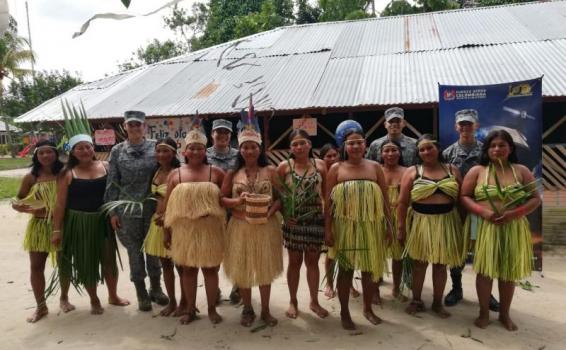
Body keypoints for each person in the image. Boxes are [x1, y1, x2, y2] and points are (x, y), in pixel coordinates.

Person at [460, 129, 541, 331]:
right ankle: (484, 312)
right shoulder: (477, 171)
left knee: (507, 273)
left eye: (501, 145)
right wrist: (482, 212)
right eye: (492, 146)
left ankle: (504, 314)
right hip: (485, 227)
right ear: (487, 149)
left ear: (510, 148)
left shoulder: (521, 170)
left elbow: (535, 199)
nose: (497, 149)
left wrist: (516, 213)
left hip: (513, 227)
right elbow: (464, 196)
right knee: (485, 271)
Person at [325, 120, 392, 330]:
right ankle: (345, 311)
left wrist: (389, 226)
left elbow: (384, 199)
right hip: (345, 228)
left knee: (369, 269)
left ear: (365, 145)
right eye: (350, 143)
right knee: (345, 270)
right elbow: (328, 203)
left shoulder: (375, 167)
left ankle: (367, 308)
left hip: (371, 226)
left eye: (358, 142)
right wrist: (328, 229)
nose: (355, 146)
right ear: (344, 146)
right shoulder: (336, 169)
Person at [52, 134, 128, 315]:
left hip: (103, 221)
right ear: (72, 151)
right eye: (79, 148)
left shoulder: (107, 167)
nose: (85, 151)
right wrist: (56, 229)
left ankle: (113, 295)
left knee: (109, 260)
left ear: (93, 148)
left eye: (88, 147)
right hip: (79, 223)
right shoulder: (67, 173)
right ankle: (94, 299)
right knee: (86, 262)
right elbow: (60, 204)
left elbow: (116, 193)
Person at [221, 118, 283, 328]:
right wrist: (238, 200)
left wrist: (270, 213)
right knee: (244, 269)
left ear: (260, 148)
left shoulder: (271, 171)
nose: (249, 151)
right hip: (240, 226)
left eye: (253, 147)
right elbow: (222, 199)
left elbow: (281, 197)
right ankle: (248, 308)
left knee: (264, 269)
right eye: (245, 147)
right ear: (240, 150)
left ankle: (265, 310)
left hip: (266, 227)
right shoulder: (233, 173)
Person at [105, 111, 168, 311]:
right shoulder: (117, 151)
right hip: (127, 209)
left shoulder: (155, 147)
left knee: (153, 248)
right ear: (125, 126)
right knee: (134, 250)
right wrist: (113, 212)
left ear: (144, 126)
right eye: (130, 125)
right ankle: (141, 291)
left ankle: (156, 289)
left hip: (151, 206)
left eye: (138, 125)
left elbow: (168, 170)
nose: (134, 128)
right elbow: (113, 181)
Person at [164, 124, 226, 325]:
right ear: (185, 151)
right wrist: (167, 233)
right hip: (184, 230)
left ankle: (211, 309)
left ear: (205, 150)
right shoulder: (175, 175)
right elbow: (167, 207)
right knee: (188, 270)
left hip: (210, 229)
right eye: (192, 147)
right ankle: (190, 309)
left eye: (200, 148)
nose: (196, 151)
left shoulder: (216, 172)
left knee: (210, 270)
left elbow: (226, 200)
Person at [397, 134, 464, 319]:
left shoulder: (452, 170)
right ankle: (416, 300)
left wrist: (464, 225)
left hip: (447, 221)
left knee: (441, 265)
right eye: (422, 149)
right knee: (419, 264)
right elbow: (402, 203)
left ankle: (437, 302)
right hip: (421, 221)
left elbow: (461, 200)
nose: (426, 152)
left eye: (430, 148)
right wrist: (401, 227)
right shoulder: (413, 171)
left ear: (438, 149)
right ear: (418, 153)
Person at [442, 109, 500, 311]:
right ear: (456, 127)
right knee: (456, 250)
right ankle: (456, 288)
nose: (465, 128)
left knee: (482, 250)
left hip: (480, 210)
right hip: (457, 210)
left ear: (476, 126)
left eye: (469, 124)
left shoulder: (487, 152)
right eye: (462, 124)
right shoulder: (448, 153)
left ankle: (487, 293)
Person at [12, 140, 68, 322]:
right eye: (41, 153)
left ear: (55, 153)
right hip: (38, 226)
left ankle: (64, 298)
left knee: (64, 264)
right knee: (36, 267)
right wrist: (26, 208)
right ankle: (41, 306)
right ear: (36, 155)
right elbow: (18, 200)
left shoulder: (64, 173)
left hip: (62, 225)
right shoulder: (31, 177)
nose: (45, 156)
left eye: (49, 152)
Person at [277, 129, 328, 319]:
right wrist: (284, 213)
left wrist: (328, 223)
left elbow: (327, 196)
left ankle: (314, 301)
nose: (299, 147)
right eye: (295, 144)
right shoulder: (284, 166)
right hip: (294, 223)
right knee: (294, 262)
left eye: (303, 143)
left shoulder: (320, 165)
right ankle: (293, 301)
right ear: (290, 148)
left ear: (310, 144)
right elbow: (278, 195)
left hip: (315, 220)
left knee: (313, 262)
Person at [142, 137, 186, 316]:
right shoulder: (155, 171)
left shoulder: (181, 173)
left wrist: (169, 217)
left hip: (176, 224)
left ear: (174, 153)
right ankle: (173, 302)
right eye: (158, 150)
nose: (161, 154)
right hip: (157, 223)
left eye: (165, 150)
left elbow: (184, 201)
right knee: (165, 265)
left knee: (182, 266)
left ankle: (186, 302)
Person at [206, 118, 241, 304]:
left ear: (230, 135)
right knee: (214, 252)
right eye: (218, 132)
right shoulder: (203, 155)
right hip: (210, 212)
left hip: (234, 210)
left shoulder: (238, 156)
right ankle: (215, 288)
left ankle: (237, 287)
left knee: (235, 249)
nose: (222, 136)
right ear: (212, 134)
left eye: (226, 133)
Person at [378, 140, 408, 302]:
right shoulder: (376, 170)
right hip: (378, 215)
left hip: (399, 215)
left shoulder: (407, 171)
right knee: (377, 252)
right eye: (386, 150)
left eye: (394, 150)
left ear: (400, 152)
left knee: (398, 255)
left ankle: (396, 287)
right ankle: (374, 286)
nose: (390, 154)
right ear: (381, 153)